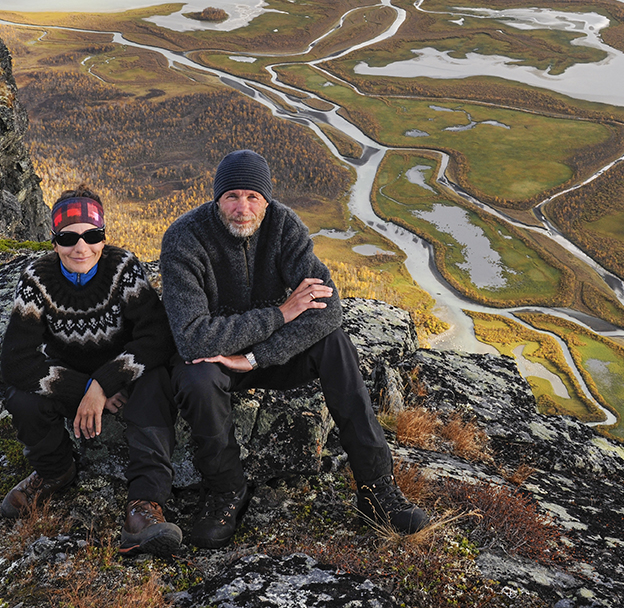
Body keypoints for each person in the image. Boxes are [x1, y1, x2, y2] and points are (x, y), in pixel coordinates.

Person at [158, 149, 428, 549]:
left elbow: (328, 309)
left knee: (335, 344)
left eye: (253, 197)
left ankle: (376, 491)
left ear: (267, 200)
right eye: (232, 196)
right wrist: (281, 314)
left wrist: (255, 357)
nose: (242, 208)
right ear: (216, 199)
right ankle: (227, 491)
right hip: (212, 362)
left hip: (264, 356)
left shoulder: (284, 226)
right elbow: (194, 337)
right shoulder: (184, 238)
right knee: (197, 375)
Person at [0, 186, 183, 557]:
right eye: (68, 237)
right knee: (22, 399)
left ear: (104, 237)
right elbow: (16, 361)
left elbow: (157, 339)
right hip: (73, 376)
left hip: (127, 375)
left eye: (92, 235)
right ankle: (54, 472)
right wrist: (86, 388)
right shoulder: (37, 280)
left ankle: (144, 506)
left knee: (155, 383)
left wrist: (106, 381)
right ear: (54, 242)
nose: (81, 247)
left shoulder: (123, 269)